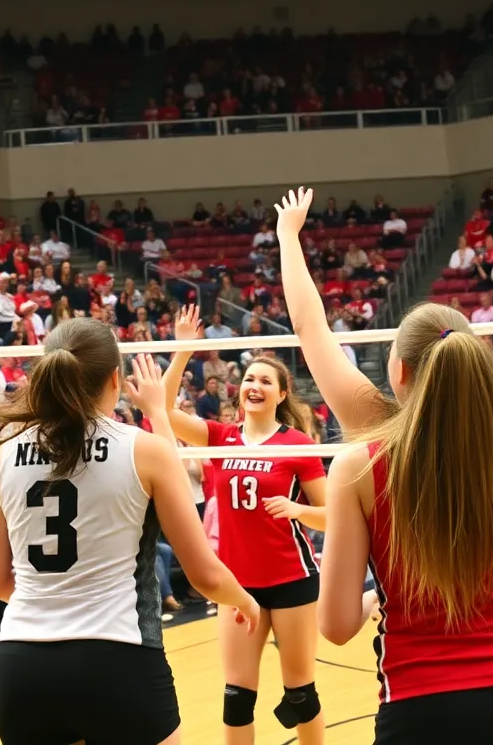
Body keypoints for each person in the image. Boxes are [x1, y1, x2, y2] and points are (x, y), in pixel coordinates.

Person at [274, 187, 493, 745]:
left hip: (422, 710)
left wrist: (289, 236)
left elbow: (333, 627)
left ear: (398, 370)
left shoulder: (363, 459)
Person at [0, 319, 260, 745]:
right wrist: (244, 599)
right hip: (116, 657)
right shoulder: (142, 449)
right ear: (115, 378)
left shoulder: (4, 455)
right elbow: (204, 575)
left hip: (22, 665)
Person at [163, 304, 327, 745]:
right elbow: (159, 410)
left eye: (265, 381)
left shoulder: (297, 445)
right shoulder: (220, 437)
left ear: (282, 393)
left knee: (300, 694)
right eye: (249, 379)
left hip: (292, 578)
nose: (255, 386)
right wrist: (182, 353)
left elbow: (332, 516)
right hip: (236, 584)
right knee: (236, 697)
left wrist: (299, 512)